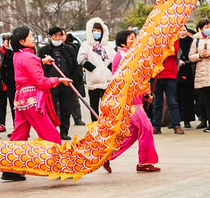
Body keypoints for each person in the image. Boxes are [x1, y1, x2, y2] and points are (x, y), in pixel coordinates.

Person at [2, 26, 73, 182]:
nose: (33, 39)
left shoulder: (17, 56)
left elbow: (28, 64)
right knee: (51, 133)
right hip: (34, 101)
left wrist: (41, 60)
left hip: (21, 100)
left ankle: (10, 169)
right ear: (21, 41)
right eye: (30, 36)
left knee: (19, 135)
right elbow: (41, 82)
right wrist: (59, 80)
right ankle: (59, 166)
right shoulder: (29, 58)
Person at [104, 30, 160, 173]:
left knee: (133, 133)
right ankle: (144, 162)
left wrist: (146, 93)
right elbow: (124, 79)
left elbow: (139, 78)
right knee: (147, 128)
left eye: (135, 38)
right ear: (123, 42)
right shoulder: (121, 56)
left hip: (136, 99)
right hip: (129, 101)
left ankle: (107, 155)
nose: (134, 41)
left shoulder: (132, 55)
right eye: (131, 39)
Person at [39, 27, 79, 140]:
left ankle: (64, 132)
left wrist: (74, 80)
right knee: (52, 109)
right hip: (51, 84)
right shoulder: (44, 50)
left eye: (60, 36)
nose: (58, 38)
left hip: (66, 83)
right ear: (50, 37)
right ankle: (52, 131)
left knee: (66, 108)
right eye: (55, 36)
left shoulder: (69, 49)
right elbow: (39, 67)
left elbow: (75, 66)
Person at [77, 17, 115, 122]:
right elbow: (81, 58)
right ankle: (94, 124)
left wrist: (109, 68)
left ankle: (107, 123)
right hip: (94, 80)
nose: (97, 33)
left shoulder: (106, 46)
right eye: (94, 31)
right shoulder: (86, 45)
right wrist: (91, 68)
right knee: (94, 105)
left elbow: (113, 57)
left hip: (107, 80)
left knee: (107, 105)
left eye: (99, 31)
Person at [151, 28, 184, 135]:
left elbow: (174, 51)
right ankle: (156, 125)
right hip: (156, 74)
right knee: (157, 102)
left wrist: (162, 48)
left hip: (169, 73)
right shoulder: (152, 37)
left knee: (172, 101)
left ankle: (176, 124)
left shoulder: (173, 36)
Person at [176, 26, 196, 128]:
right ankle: (176, 120)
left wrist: (186, 62)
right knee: (177, 96)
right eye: (180, 30)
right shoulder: (174, 42)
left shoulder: (191, 41)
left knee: (188, 97)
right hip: (176, 71)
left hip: (189, 70)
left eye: (184, 30)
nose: (182, 32)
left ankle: (188, 119)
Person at [0, 34, 15, 133]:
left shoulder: (13, 53)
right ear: (3, 42)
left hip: (11, 82)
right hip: (1, 82)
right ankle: (2, 124)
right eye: (7, 41)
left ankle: (15, 124)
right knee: (1, 104)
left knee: (13, 104)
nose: (8, 44)